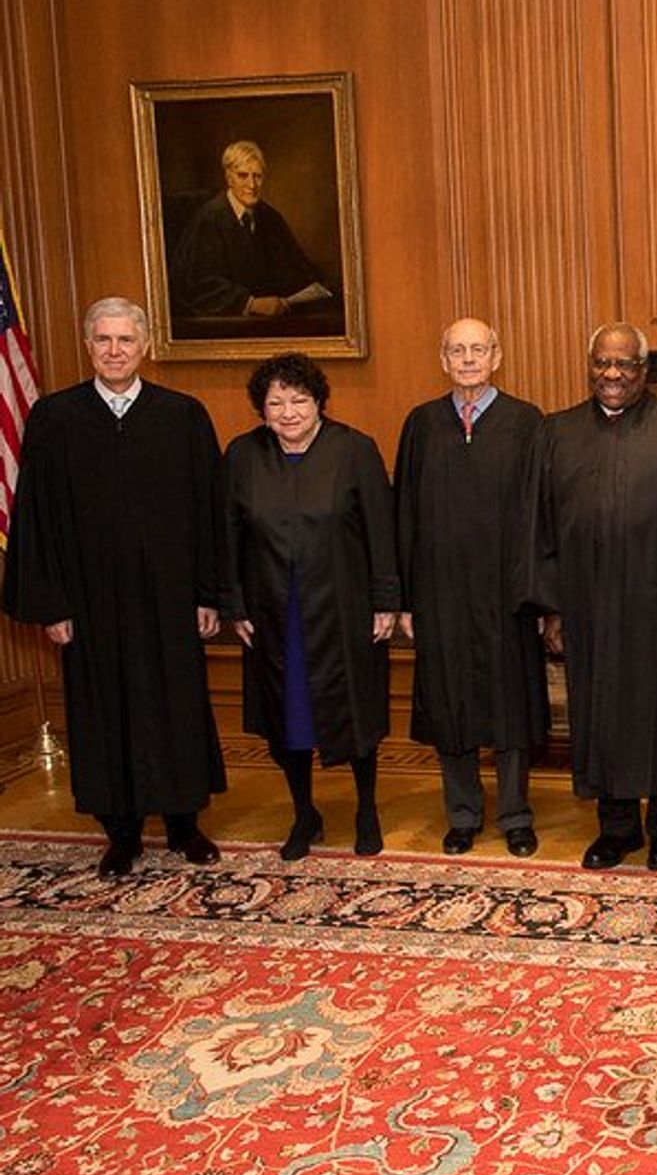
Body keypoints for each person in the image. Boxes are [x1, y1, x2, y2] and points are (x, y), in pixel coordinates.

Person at [1, 297, 227, 878]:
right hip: (91, 605)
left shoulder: (182, 416)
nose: (115, 350)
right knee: (104, 711)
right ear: (88, 346)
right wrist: (52, 604)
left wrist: (208, 593)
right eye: (103, 340)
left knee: (175, 705)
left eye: (125, 340)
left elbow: (210, 512)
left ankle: (184, 824)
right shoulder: (55, 419)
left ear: (145, 346)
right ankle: (121, 834)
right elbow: (37, 518)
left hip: (169, 601)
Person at [524, 322, 657, 872]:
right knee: (602, 718)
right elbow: (540, 527)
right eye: (602, 363)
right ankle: (616, 829)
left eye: (624, 364)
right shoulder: (557, 433)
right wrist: (552, 608)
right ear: (590, 366)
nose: (612, 374)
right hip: (589, 609)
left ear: (644, 370)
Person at [222, 352, 398, 859]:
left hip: (344, 609)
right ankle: (305, 813)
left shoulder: (354, 450)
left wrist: (386, 600)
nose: (288, 412)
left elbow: (381, 532)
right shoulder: (243, 455)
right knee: (287, 718)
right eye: (276, 403)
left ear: (319, 401)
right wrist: (235, 604)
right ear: (262, 409)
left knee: (356, 714)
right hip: (273, 614)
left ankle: (367, 810)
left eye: (298, 400)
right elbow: (227, 535)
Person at [394, 318, 548, 859]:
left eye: (477, 349)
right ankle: (462, 814)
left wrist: (537, 594)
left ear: (496, 356)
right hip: (440, 594)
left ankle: (515, 815)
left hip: (507, 595)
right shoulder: (421, 424)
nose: (467, 359)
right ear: (443, 359)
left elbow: (540, 514)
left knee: (511, 707)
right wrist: (405, 598)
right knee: (450, 703)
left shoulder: (526, 422)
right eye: (457, 350)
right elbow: (404, 513)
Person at [170, 141, 335, 321]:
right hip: (226, 324)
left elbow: (295, 268)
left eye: (257, 176)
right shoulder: (210, 219)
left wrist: (317, 284)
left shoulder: (270, 217)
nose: (252, 185)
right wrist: (250, 304)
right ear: (229, 178)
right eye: (243, 176)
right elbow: (197, 283)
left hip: (272, 320)